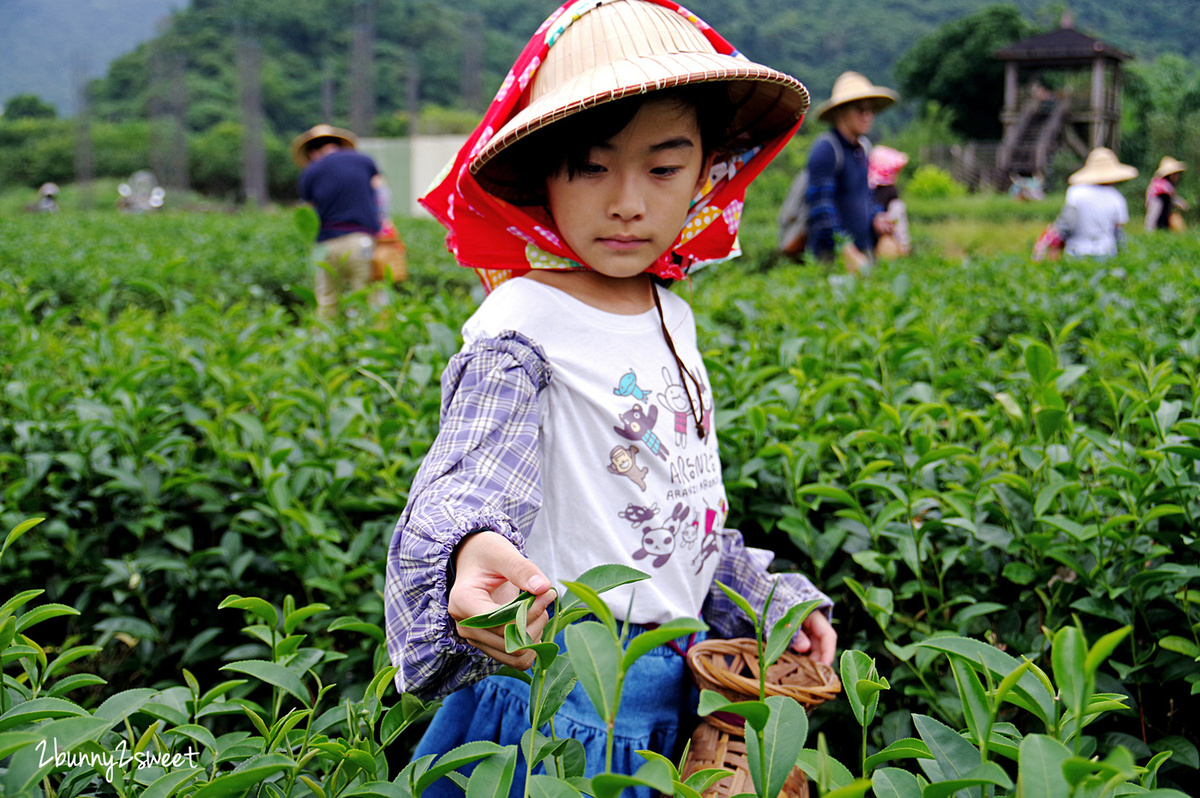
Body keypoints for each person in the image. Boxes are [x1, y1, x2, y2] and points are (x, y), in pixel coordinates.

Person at [383, 2, 835, 796]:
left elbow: (674, 516)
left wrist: (770, 606)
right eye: (592, 166)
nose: (628, 200)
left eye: (663, 168)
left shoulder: (673, 314)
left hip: (670, 699)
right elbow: (471, 474)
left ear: (704, 175)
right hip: (560, 700)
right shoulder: (522, 321)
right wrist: (468, 550)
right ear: (543, 176)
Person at [290, 124, 389, 318]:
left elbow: (307, 213)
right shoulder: (364, 161)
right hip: (361, 241)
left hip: (325, 245)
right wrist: (383, 225)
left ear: (312, 152)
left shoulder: (311, 171)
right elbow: (382, 195)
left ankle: (325, 344)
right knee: (367, 299)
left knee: (327, 301)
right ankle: (368, 343)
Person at [805, 71, 898, 272]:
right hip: (833, 257)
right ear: (841, 112)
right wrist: (846, 250)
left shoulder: (863, 148)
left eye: (870, 110)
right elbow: (821, 208)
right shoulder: (827, 148)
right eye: (860, 110)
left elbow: (864, 196)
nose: (867, 116)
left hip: (862, 250)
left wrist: (876, 216)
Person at [1056, 147, 1137, 258]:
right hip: (1105, 251)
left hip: (1077, 251)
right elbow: (1118, 231)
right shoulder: (1117, 197)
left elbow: (1066, 224)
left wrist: (1056, 245)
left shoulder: (1076, 192)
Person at [868, 145, 910, 258]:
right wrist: (904, 245)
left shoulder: (867, 193)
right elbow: (899, 222)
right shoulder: (892, 194)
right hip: (888, 245)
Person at [1144, 156, 1188, 232]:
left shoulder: (1159, 183)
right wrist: (1181, 203)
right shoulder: (1163, 185)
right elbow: (1172, 197)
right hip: (1156, 204)